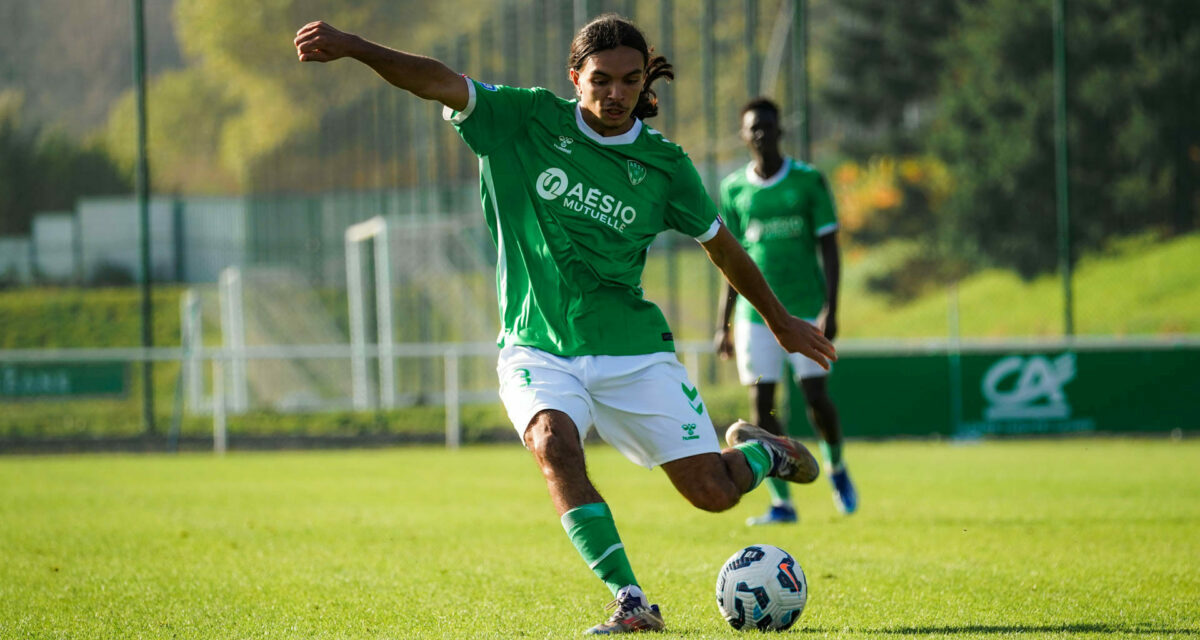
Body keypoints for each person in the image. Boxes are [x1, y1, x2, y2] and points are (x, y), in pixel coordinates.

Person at [295, 16, 836, 635]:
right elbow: (436, 80)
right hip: (537, 344)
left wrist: (781, 321)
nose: (615, 93)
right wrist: (357, 47)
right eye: (600, 80)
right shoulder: (524, 119)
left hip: (631, 348)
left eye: (630, 81)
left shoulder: (665, 165)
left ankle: (764, 454)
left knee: (712, 492)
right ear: (574, 77)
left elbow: (722, 247)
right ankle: (631, 601)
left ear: (643, 82)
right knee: (553, 443)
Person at [715, 97, 858, 526]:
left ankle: (835, 467)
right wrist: (723, 325)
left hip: (805, 311)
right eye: (752, 128)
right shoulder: (733, 189)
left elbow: (829, 247)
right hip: (755, 318)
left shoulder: (809, 181)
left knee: (817, 399)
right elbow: (729, 261)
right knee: (762, 412)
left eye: (767, 126)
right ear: (743, 136)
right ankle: (781, 503)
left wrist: (831, 306)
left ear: (780, 131)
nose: (761, 134)